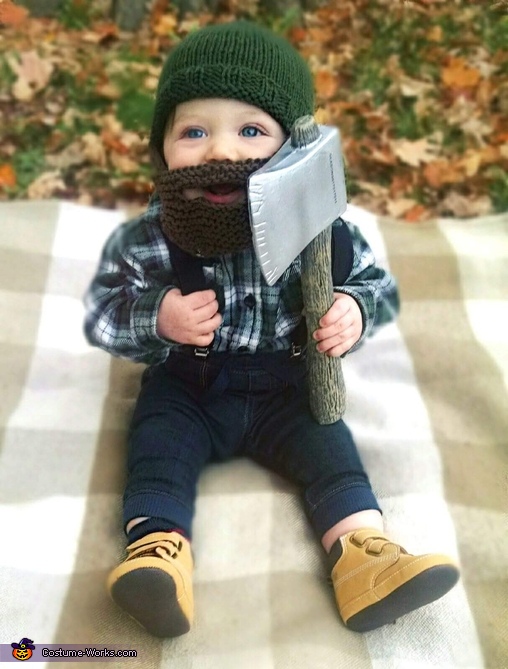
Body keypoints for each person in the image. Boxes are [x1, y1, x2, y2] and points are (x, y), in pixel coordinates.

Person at [84, 21, 459, 638]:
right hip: (191, 388)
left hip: (289, 385)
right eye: (194, 131)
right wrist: (159, 316)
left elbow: (377, 286)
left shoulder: (319, 227)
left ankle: (363, 553)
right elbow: (104, 312)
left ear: (291, 151)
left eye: (251, 131)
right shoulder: (154, 232)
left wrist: (353, 310)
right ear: (164, 149)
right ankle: (157, 553)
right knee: (156, 444)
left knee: (332, 449)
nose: (221, 151)